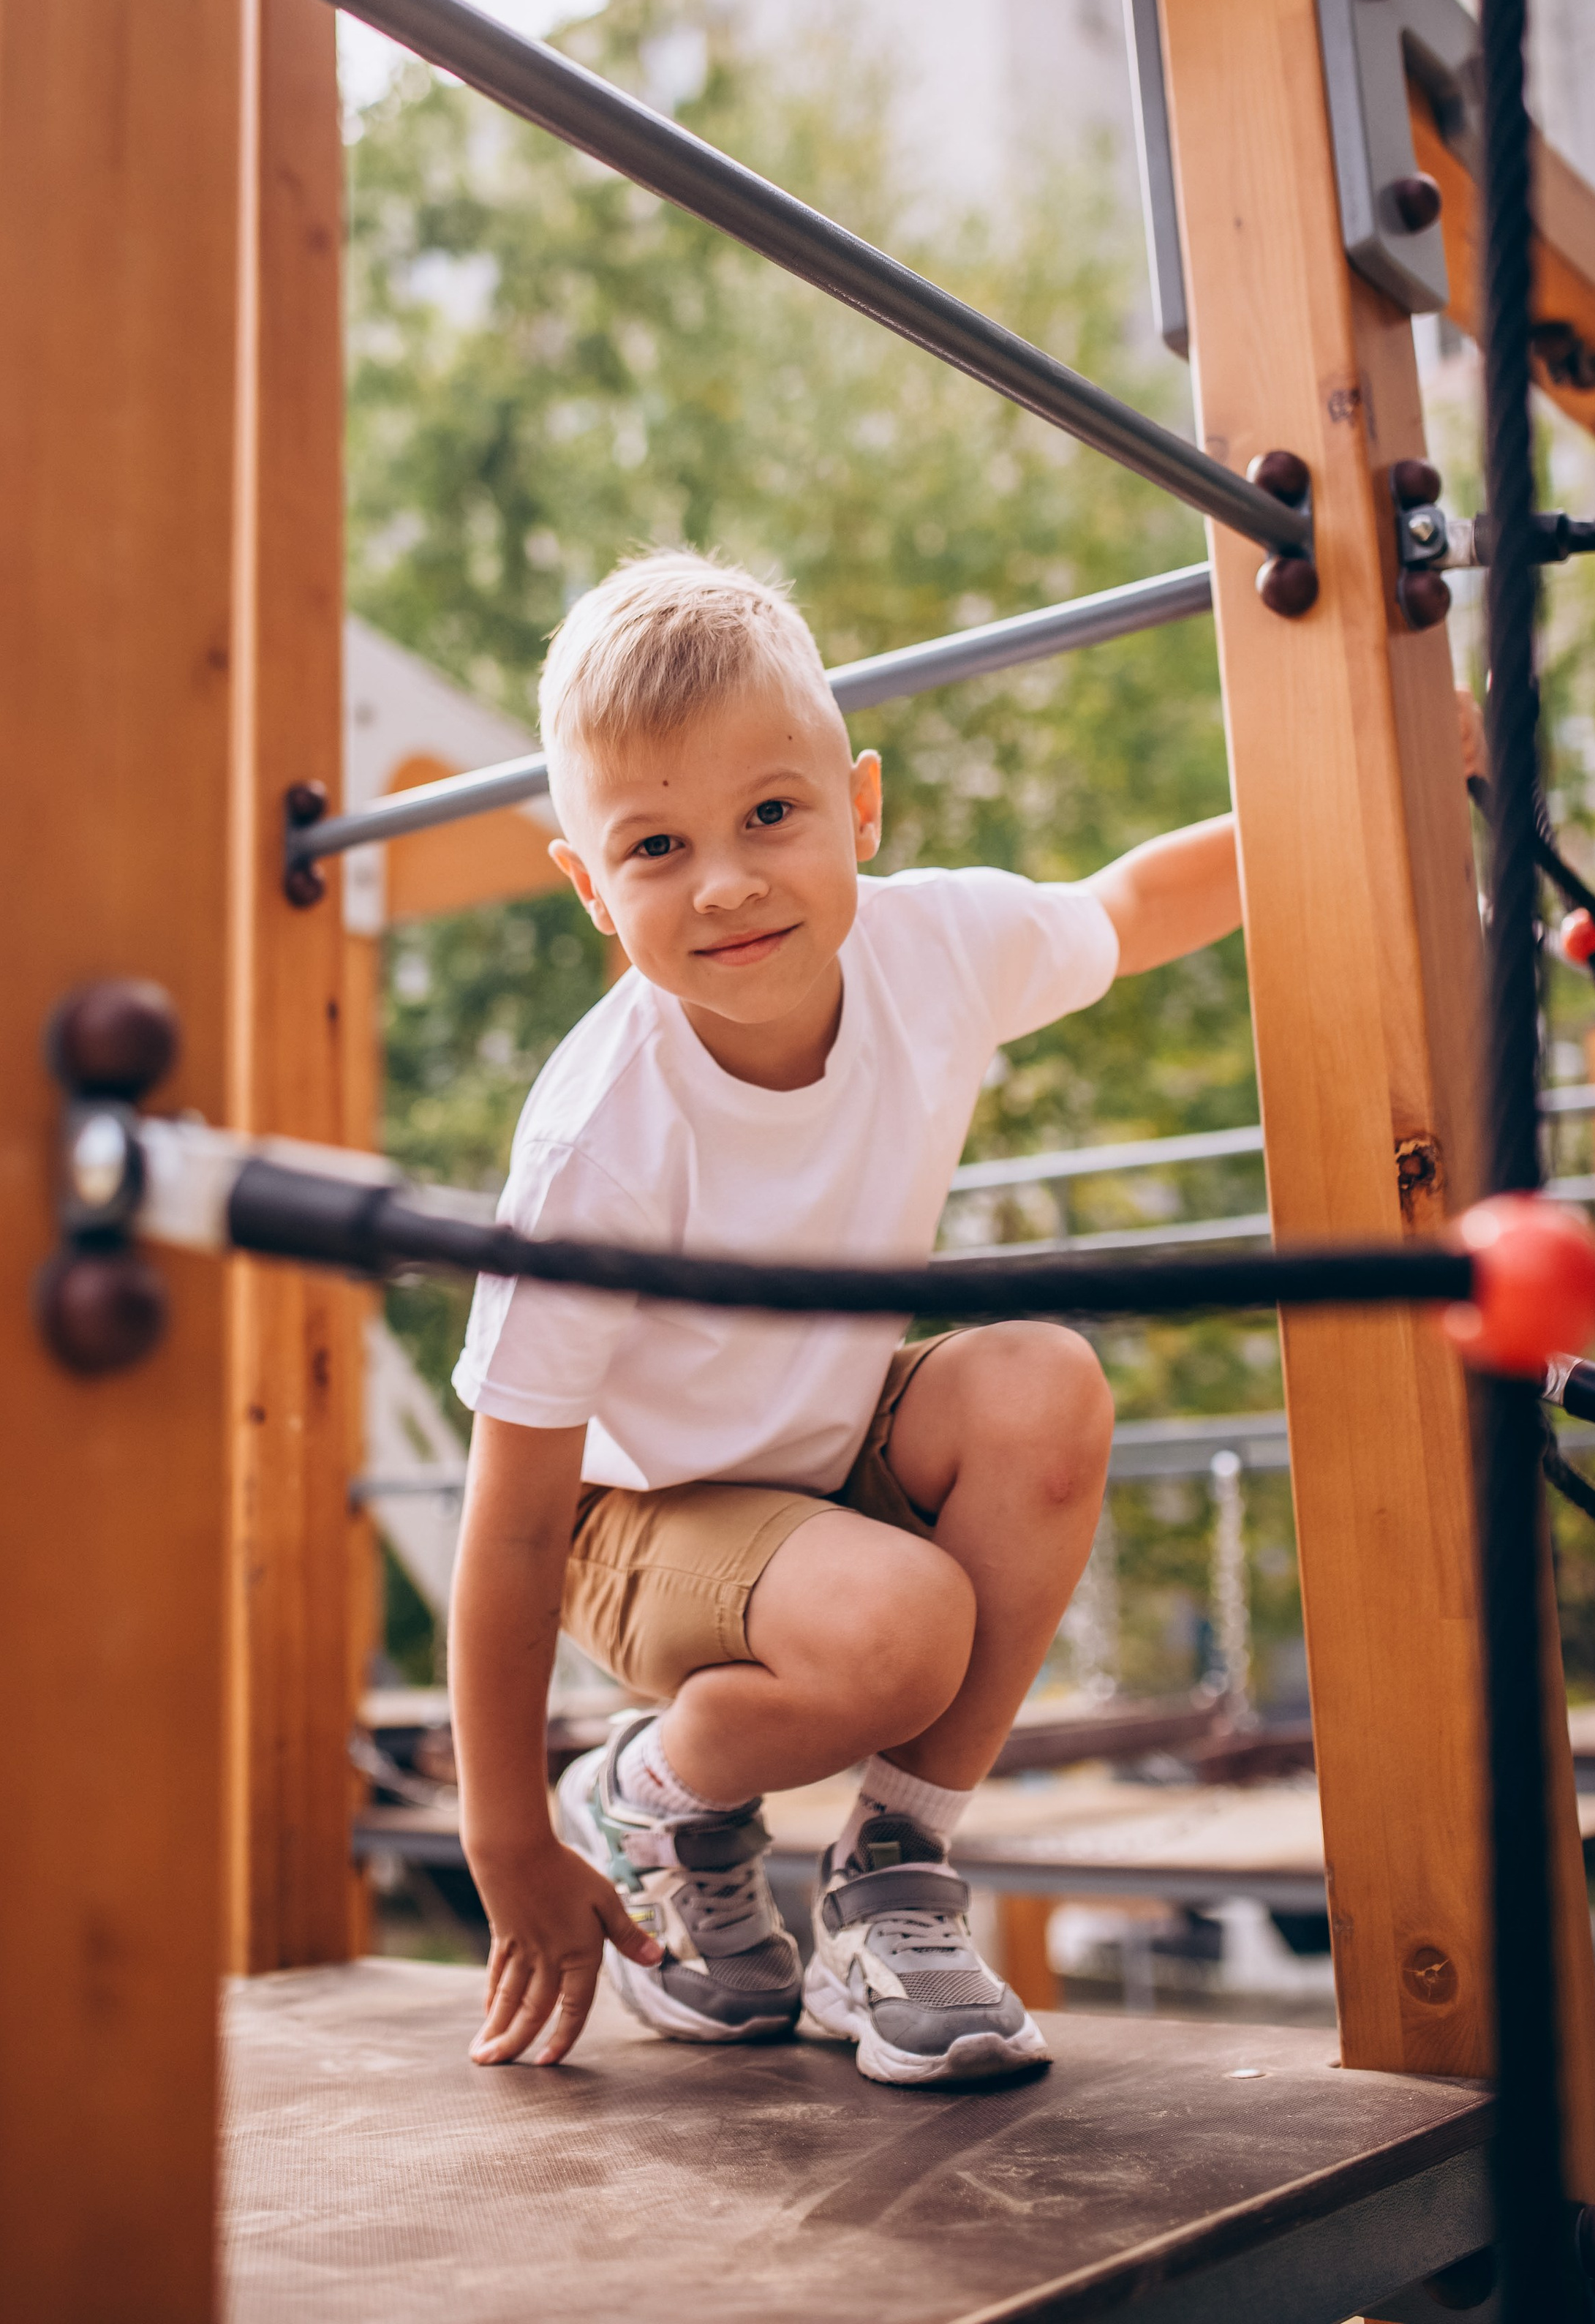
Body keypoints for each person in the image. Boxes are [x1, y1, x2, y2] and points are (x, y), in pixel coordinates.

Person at [448, 550, 1243, 2088]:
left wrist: (1347, 802)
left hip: (820, 1452)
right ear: (590, 888)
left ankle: (892, 1882)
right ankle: (641, 1795)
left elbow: (1129, 905)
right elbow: (514, 1517)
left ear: (859, 808)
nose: (727, 882)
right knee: (901, 1625)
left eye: (771, 814)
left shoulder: (931, 949)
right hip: (633, 1520)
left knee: (1044, 1385)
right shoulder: (599, 1141)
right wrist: (505, 1838)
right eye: (656, 846)